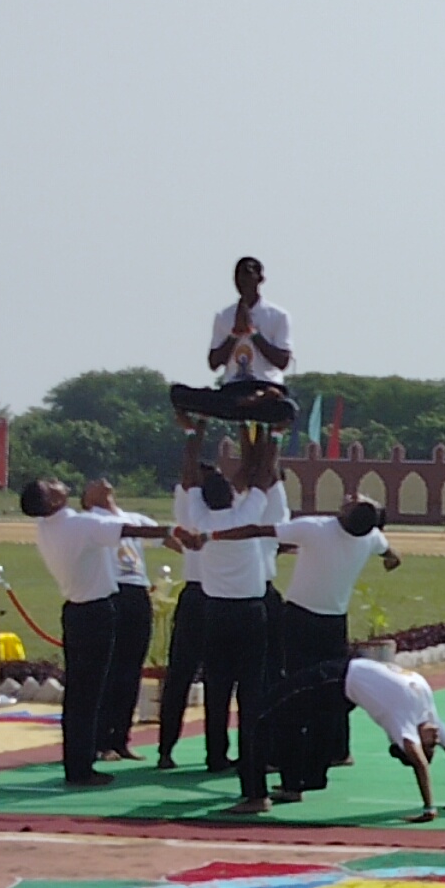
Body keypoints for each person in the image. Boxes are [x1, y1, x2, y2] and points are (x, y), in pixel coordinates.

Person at [212, 493, 399, 767]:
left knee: (291, 687)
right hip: (335, 622)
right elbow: (392, 555)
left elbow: (256, 530)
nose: (349, 497)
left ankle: (280, 755)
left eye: (353, 500)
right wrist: (389, 561)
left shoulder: (314, 527)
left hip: (300, 618)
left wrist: (212, 536)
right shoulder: (371, 537)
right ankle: (338, 751)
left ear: (346, 512)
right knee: (337, 685)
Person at [22, 478, 172, 785]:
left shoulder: (48, 527)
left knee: (78, 694)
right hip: (96, 612)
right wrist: (173, 531)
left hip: (75, 612)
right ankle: (84, 766)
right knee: (90, 693)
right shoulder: (80, 524)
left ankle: (78, 760)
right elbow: (130, 530)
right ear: (53, 502)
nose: (57, 483)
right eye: (51, 486)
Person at [174, 418, 283, 813]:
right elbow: (264, 475)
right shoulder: (245, 514)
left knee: (218, 691)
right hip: (251, 613)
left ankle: (215, 755)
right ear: (232, 496)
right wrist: (271, 434)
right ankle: (255, 789)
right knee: (252, 700)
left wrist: (193, 434)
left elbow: (189, 478)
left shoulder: (198, 519)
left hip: (215, 613)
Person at [256, 657, 445, 822]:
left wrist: (429, 809)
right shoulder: (430, 720)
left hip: (340, 681)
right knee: (292, 715)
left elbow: (420, 764)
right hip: (343, 675)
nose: (436, 738)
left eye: (430, 745)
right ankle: (295, 783)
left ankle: (291, 783)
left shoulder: (402, 725)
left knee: (276, 708)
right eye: (433, 746)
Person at [80, 478, 163, 762]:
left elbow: (169, 538)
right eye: (92, 485)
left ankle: (121, 738)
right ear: (87, 499)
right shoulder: (91, 519)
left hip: (138, 591)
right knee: (111, 669)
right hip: (112, 590)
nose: (100, 482)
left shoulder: (134, 518)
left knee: (131, 669)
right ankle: (101, 739)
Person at [168, 257, 298, 425]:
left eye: (247, 274)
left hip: (265, 385)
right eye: (238, 275)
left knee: (287, 409)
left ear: (260, 278)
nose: (242, 280)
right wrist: (235, 335)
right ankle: (248, 401)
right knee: (178, 393)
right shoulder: (224, 316)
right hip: (234, 390)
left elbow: (282, 362)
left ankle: (257, 399)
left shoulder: (278, 316)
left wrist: (253, 334)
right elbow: (214, 363)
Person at [157, 465, 214, 769]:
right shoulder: (231, 517)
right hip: (219, 597)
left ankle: (166, 749)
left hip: (197, 596)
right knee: (217, 680)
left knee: (180, 675)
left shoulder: (191, 514)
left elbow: (187, 479)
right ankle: (216, 753)